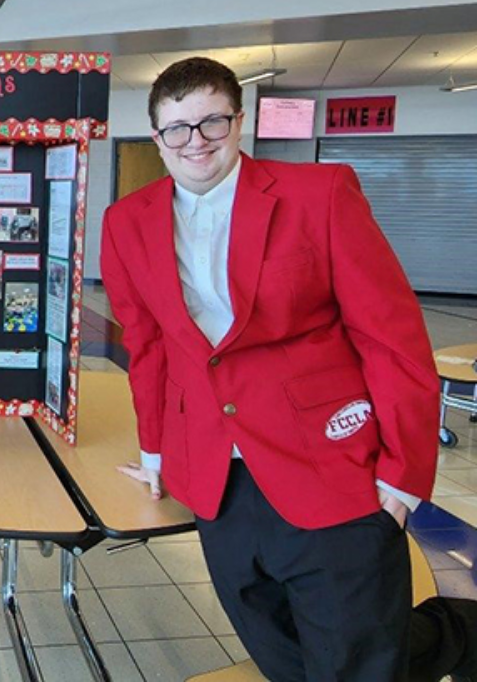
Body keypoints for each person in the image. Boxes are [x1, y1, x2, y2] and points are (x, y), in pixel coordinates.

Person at [100, 56, 443, 680]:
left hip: (328, 461)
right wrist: (155, 450)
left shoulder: (321, 194)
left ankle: (456, 637)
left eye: (211, 122)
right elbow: (148, 346)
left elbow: (392, 337)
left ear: (240, 121)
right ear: (156, 137)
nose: (195, 141)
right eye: (177, 128)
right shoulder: (127, 222)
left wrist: (404, 474)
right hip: (215, 479)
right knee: (279, 651)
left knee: (357, 660)